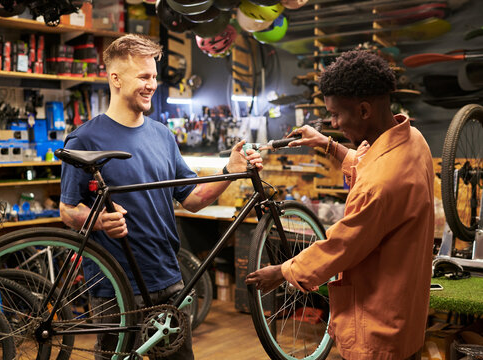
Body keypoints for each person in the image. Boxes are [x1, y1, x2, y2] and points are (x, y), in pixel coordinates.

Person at [59, 34, 263, 359]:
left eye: (154, 76)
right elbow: (67, 211)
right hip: (116, 287)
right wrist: (98, 221)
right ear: (115, 78)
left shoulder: (162, 136)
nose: (152, 84)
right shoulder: (84, 139)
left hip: (169, 279)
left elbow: (193, 199)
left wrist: (230, 168)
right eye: (143, 76)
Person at [246, 50, 434, 360]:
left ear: (363, 110)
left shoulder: (381, 183)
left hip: (376, 329)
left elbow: (341, 246)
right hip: (403, 318)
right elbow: (373, 165)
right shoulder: (413, 140)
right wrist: (327, 144)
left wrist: (282, 271)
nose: (333, 122)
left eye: (335, 115)